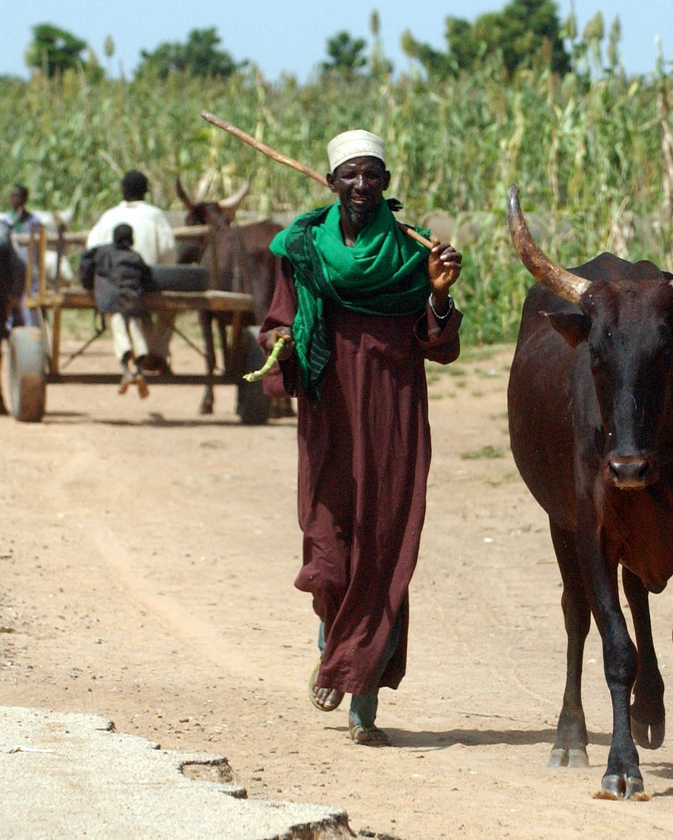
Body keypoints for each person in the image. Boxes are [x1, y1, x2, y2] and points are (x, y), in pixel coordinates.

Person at [259, 129, 463, 746]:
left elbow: (441, 343)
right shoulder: (301, 246)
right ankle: (333, 640)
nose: (361, 185)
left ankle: (360, 696)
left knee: (382, 540)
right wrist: (280, 343)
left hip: (392, 405)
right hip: (328, 403)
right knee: (327, 537)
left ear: (385, 184)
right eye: (350, 174)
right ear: (331, 182)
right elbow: (277, 316)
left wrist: (437, 294)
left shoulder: (411, 251)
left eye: (372, 175)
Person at [85, 170, 176, 372]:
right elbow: (169, 252)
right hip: (144, 284)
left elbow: (92, 248)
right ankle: (158, 352)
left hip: (111, 287)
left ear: (123, 190)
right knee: (170, 309)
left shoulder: (109, 216)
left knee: (116, 313)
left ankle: (131, 352)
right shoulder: (155, 215)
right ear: (146, 192)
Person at [78, 223, 156, 398]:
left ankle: (126, 371)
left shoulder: (101, 252)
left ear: (114, 238)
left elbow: (86, 268)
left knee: (119, 331)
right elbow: (149, 280)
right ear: (132, 240)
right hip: (133, 302)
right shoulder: (136, 257)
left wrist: (88, 285)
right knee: (136, 332)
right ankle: (140, 372)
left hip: (110, 301)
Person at [7, 185, 43, 327]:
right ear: (10, 199)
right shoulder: (5, 221)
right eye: (14, 196)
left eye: (20, 197)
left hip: (29, 270)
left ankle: (31, 332)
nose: (17, 200)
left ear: (26, 200)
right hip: (9, 270)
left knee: (29, 303)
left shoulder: (34, 222)